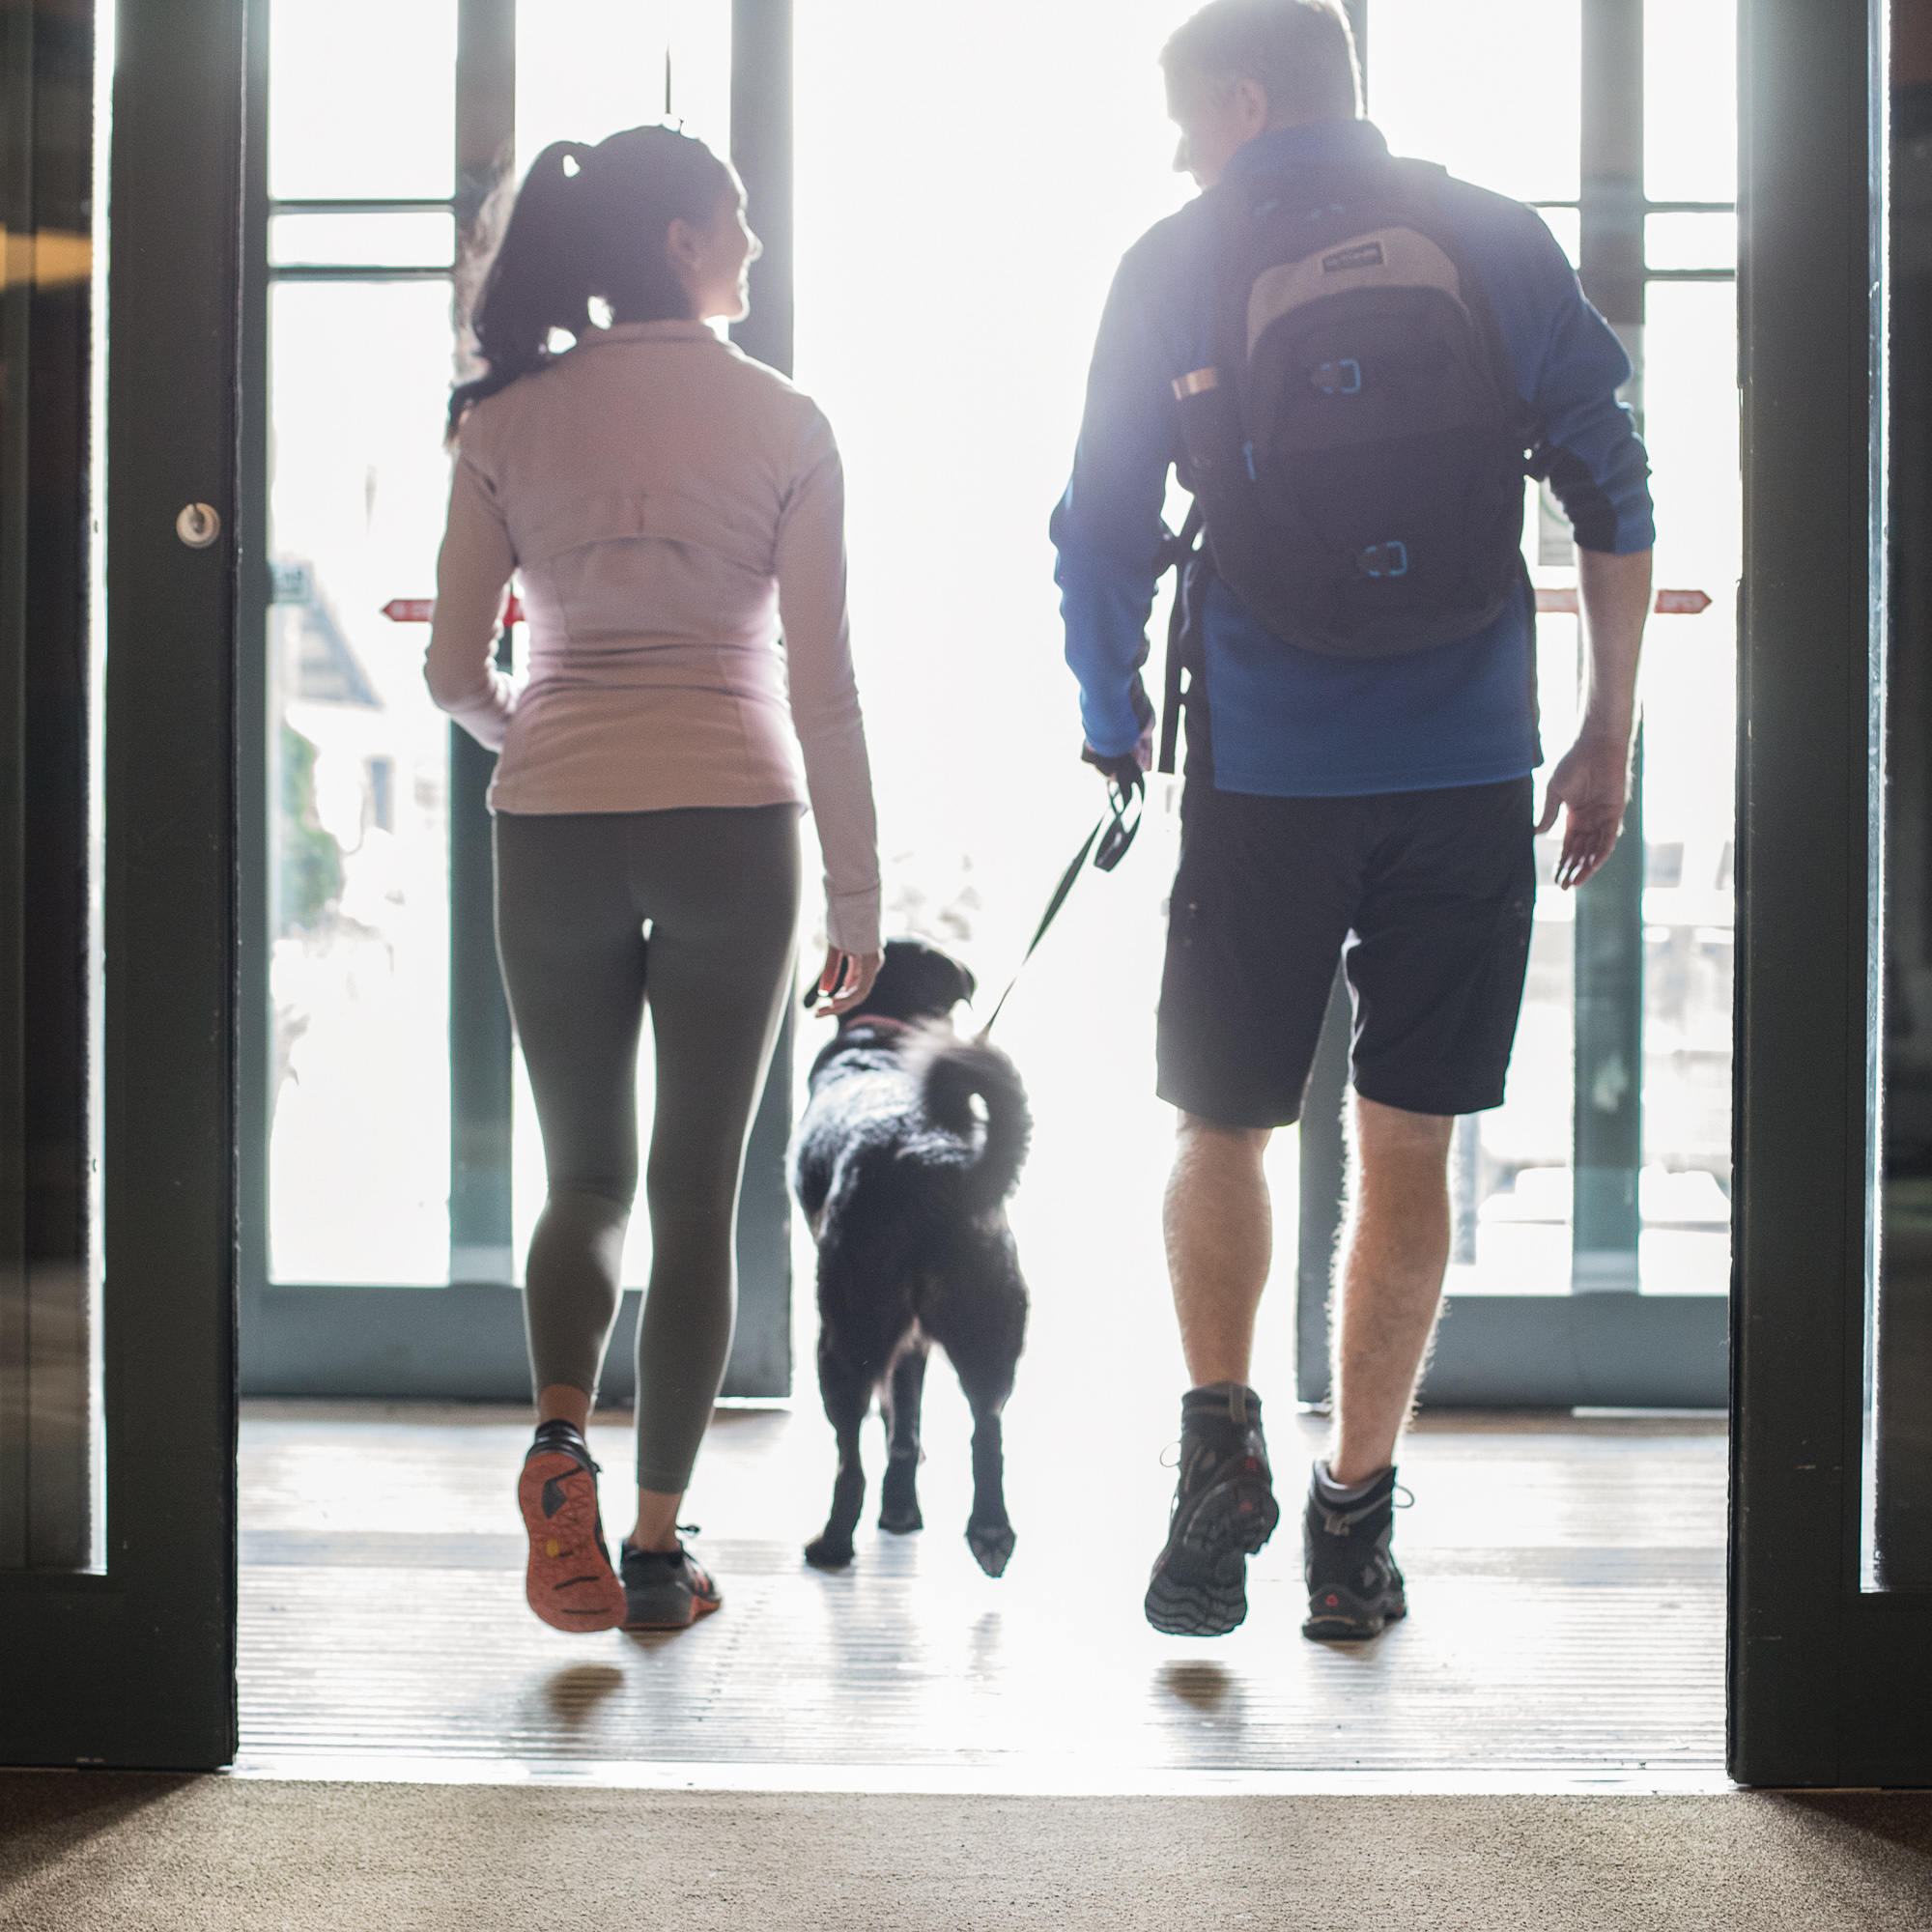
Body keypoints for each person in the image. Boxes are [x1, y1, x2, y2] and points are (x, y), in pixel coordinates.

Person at [1053, 0, 1654, 1640]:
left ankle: (1218, 1449)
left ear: (1245, 100)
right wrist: (1604, 735)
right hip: (1468, 770)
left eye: (1191, 120)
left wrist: (1115, 726)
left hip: (1264, 771)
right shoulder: (1493, 238)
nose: (1183, 154)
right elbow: (1614, 485)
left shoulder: (1174, 259)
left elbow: (1102, 527)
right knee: (1408, 1146)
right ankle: (1353, 1528)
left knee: (1222, 1121)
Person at [427, 126, 882, 1634]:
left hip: (550, 814)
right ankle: (656, 1550)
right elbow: (826, 692)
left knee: (584, 1180)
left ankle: (558, 1433)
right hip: (730, 818)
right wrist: (859, 902)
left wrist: (540, 730)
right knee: (698, 1197)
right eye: (740, 223)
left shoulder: (503, 417)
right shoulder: (788, 421)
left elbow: (450, 667)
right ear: (686, 240)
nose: (756, 247)